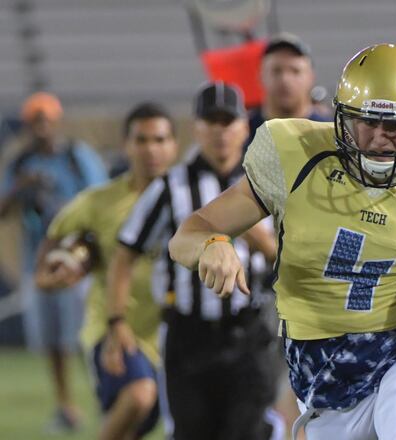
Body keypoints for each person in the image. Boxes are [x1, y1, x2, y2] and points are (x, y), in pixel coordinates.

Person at [168, 43, 396, 440]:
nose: (379, 139)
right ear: (341, 118)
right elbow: (189, 232)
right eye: (367, 122)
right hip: (322, 373)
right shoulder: (297, 156)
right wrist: (212, 243)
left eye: (395, 127)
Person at [110, 82, 279, 440]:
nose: (220, 131)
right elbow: (125, 252)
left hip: (250, 332)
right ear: (197, 127)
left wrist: (260, 240)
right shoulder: (171, 186)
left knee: (247, 433)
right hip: (189, 336)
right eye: (211, 121)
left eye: (228, 120)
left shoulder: (268, 183)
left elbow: (292, 256)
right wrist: (117, 320)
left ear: (244, 126)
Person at [35, 102, 179, 439]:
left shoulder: (190, 199)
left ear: (174, 145)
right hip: (113, 329)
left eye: (159, 140)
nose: (150, 150)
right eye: (141, 140)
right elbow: (44, 269)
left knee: (144, 425)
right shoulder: (97, 202)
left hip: (171, 335)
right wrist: (61, 275)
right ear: (126, 145)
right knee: (139, 395)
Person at [0, 92, 107, 432]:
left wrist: (58, 204)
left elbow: (98, 200)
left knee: (84, 337)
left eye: (46, 119)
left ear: (56, 120)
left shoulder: (77, 157)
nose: (42, 126)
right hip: (40, 262)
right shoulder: (22, 164)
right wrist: (20, 188)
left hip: (78, 262)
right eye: (36, 120)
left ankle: (102, 397)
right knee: (51, 342)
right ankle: (66, 406)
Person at [248, 33, 331, 145]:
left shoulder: (330, 135)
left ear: (311, 77)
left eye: (295, 71)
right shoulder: (240, 136)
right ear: (261, 76)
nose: (285, 79)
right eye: (276, 70)